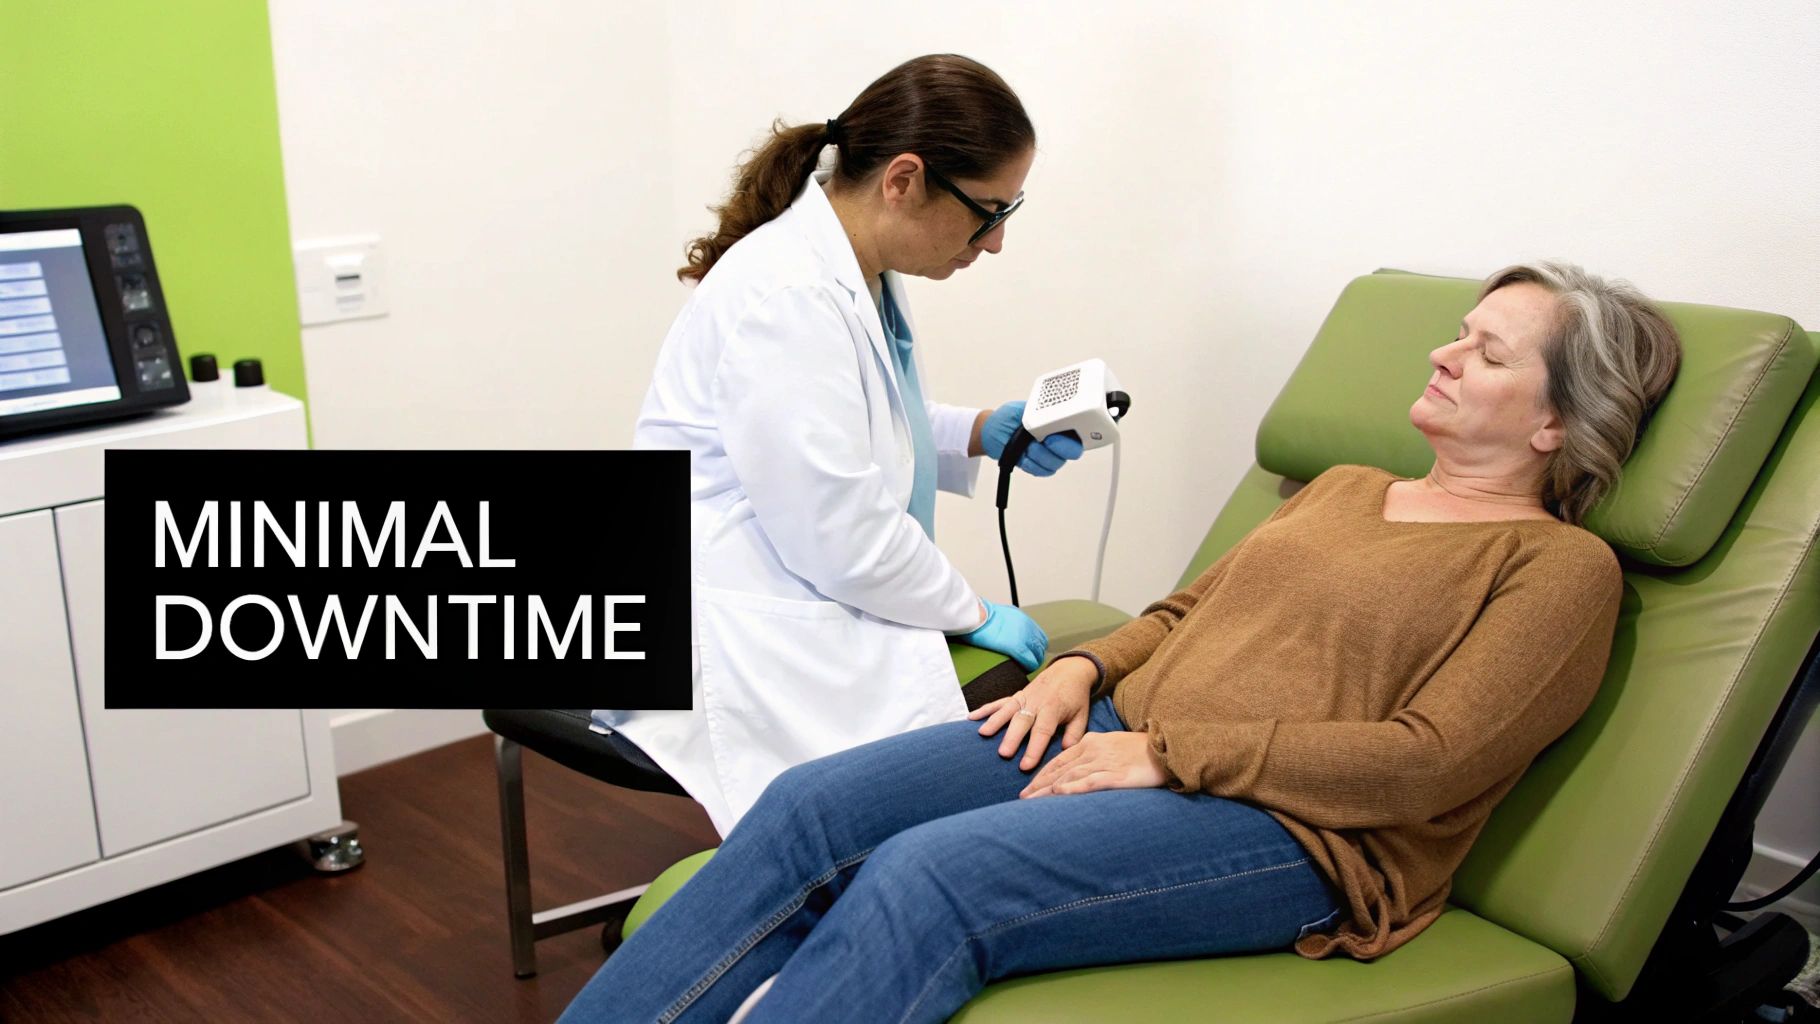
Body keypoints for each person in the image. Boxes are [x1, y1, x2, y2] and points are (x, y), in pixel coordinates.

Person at [557, 261, 1684, 1024]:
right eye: (1459, 330)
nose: (1443, 354)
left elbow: (1426, 759)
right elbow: (1185, 611)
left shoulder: (1555, 567)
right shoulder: (1344, 484)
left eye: (1486, 354)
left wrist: (1170, 753)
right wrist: (1081, 666)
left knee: (924, 878)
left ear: (1553, 423)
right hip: (1114, 727)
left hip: (1292, 832)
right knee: (807, 807)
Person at [592, 55, 1084, 836]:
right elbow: (841, 529)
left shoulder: (851, 266)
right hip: (727, 603)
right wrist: (971, 609)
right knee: (879, 807)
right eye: (988, 212)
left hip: (797, 560)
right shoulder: (788, 297)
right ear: (904, 180)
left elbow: (860, 424)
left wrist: (979, 430)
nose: (993, 244)